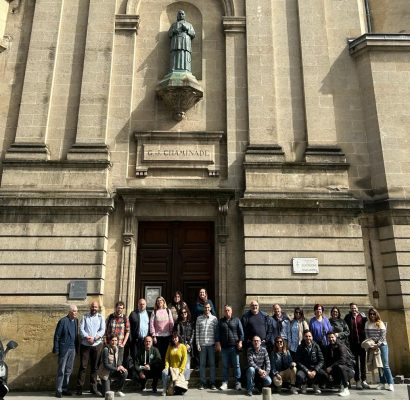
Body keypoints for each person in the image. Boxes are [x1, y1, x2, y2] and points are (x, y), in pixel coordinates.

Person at [76, 301, 105, 396]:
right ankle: (79, 388)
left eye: (96, 307)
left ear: (98, 308)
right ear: (90, 307)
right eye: (93, 307)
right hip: (85, 345)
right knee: (83, 367)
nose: (94, 308)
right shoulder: (85, 317)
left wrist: (95, 338)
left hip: (97, 345)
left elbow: (102, 330)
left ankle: (93, 388)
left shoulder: (101, 317)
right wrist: (87, 337)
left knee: (95, 367)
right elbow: (81, 329)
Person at [215, 305, 244, 391]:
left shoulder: (237, 320)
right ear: (224, 312)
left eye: (228, 310)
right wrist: (218, 344)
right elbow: (217, 334)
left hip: (234, 347)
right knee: (224, 366)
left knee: (237, 366)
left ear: (231, 311)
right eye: (225, 310)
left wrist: (240, 342)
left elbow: (241, 333)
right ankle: (225, 383)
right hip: (224, 348)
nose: (227, 312)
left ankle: (238, 383)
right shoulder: (221, 321)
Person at [53, 304, 79, 398]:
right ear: (69, 311)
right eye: (74, 311)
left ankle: (65, 388)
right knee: (61, 370)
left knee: (68, 370)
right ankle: (58, 390)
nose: (76, 313)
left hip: (73, 349)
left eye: (76, 311)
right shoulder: (63, 321)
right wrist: (56, 349)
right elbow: (57, 336)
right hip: (64, 349)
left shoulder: (76, 321)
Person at [365, 307, 394, 391]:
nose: (372, 315)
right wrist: (371, 344)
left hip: (382, 345)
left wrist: (377, 345)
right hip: (373, 345)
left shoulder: (380, 323)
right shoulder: (367, 323)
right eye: (370, 314)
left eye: (374, 314)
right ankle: (382, 383)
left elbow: (383, 337)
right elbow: (367, 336)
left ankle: (390, 383)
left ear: (376, 314)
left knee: (385, 365)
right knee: (379, 365)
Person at [344, 302, 370, 389]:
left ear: (357, 308)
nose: (353, 310)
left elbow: (367, 326)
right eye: (352, 308)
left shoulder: (362, 317)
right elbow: (346, 329)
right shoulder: (348, 317)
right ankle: (357, 381)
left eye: (355, 308)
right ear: (350, 309)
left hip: (362, 343)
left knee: (363, 362)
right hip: (353, 343)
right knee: (355, 363)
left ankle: (364, 380)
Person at [295, 330, 327, 395]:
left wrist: (315, 370)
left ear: (312, 337)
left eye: (309, 336)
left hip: (314, 368)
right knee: (299, 375)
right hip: (305, 369)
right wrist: (307, 371)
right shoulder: (300, 347)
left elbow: (321, 360)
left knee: (324, 374)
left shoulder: (316, 346)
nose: (308, 338)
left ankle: (315, 385)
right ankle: (304, 385)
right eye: (306, 336)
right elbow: (298, 361)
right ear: (303, 337)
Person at [324, 332, 355, 397]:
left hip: (348, 370)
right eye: (329, 338)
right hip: (336, 370)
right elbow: (327, 361)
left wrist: (331, 367)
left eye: (332, 337)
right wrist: (328, 373)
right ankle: (340, 384)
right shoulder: (328, 348)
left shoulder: (341, 345)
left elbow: (343, 360)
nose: (331, 339)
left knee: (341, 367)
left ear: (335, 337)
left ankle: (346, 390)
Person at [195, 301, 218, 390]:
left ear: (210, 308)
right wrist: (197, 344)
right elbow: (197, 332)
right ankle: (202, 383)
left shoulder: (214, 319)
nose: (207, 309)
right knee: (202, 365)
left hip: (211, 345)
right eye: (205, 307)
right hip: (202, 345)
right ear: (203, 308)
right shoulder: (199, 318)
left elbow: (216, 333)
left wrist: (217, 344)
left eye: (208, 307)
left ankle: (212, 383)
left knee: (212, 365)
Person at [162, 332, 188, 396]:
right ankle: (164, 389)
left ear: (178, 338)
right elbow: (167, 358)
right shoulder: (170, 346)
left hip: (179, 369)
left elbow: (184, 359)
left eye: (175, 337)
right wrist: (167, 367)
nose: (174, 339)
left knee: (178, 390)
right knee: (164, 372)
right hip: (171, 369)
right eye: (173, 338)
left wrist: (180, 370)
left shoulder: (183, 347)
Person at [150, 296, 174, 365]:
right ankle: (158, 371)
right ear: (156, 303)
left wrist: (171, 334)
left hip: (167, 336)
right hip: (157, 336)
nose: (159, 302)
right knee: (158, 354)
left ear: (164, 302)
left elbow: (171, 322)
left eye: (161, 300)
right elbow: (151, 324)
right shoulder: (154, 311)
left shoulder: (168, 311)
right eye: (158, 301)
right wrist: (153, 336)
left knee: (166, 353)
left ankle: (165, 370)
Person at [105, 301, 130, 365]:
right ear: (115, 308)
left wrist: (123, 343)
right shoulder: (110, 317)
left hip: (120, 344)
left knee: (119, 362)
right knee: (110, 362)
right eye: (118, 308)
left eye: (121, 308)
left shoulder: (125, 318)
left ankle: (117, 374)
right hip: (110, 344)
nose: (119, 309)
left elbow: (127, 332)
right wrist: (106, 342)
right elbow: (105, 330)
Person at [173, 306, 194, 380]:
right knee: (179, 363)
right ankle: (180, 379)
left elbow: (193, 334)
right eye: (182, 313)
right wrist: (183, 344)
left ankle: (186, 380)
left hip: (188, 346)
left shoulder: (191, 323)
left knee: (187, 363)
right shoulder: (177, 323)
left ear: (187, 313)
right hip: (180, 345)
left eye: (185, 312)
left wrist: (189, 344)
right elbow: (177, 334)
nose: (183, 314)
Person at [129, 298, 151, 367]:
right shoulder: (133, 314)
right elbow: (129, 327)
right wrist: (130, 339)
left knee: (144, 358)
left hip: (146, 341)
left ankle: (143, 374)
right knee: (135, 357)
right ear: (138, 305)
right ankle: (135, 374)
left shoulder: (149, 314)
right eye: (140, 304)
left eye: (143, 304)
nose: (142, 305)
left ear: (146, 305)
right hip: (136, 340)